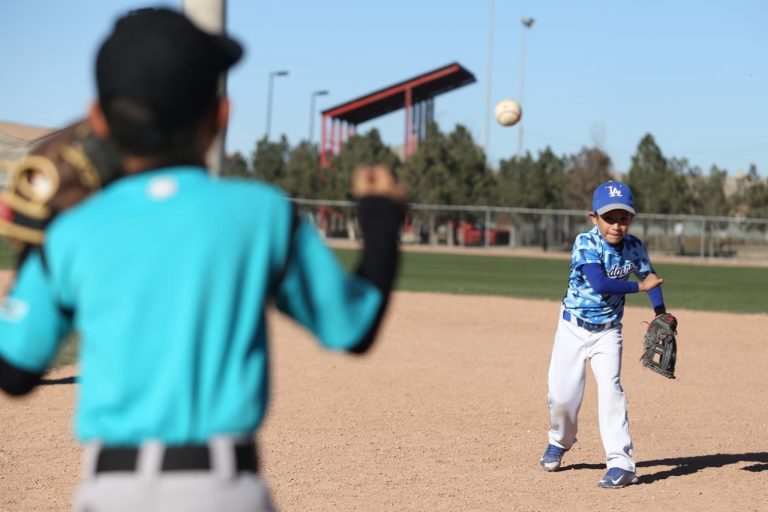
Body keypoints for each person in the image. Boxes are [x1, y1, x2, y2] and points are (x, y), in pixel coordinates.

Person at [0, 7, 406, 512]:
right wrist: (382, 217)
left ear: (98, 120)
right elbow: (354, 327)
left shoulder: (74, 230)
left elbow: (14, 371)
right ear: (221, 117)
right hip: (222, 491)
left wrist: (34, 242)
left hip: (111, 494)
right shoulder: (259, 213)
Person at [539, 181, 666, 489]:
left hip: (608, 332)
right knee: (562, 396)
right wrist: (640, 288)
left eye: (623, 218)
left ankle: (621, 464)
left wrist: (661, 312)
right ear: (593, 217)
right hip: (572, 327)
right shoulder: (586, 243)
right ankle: (560, 440)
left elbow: (650, 276)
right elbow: (599, 283)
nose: (617, 225)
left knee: (611, 391)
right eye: (610, 218)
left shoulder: (634, 246)